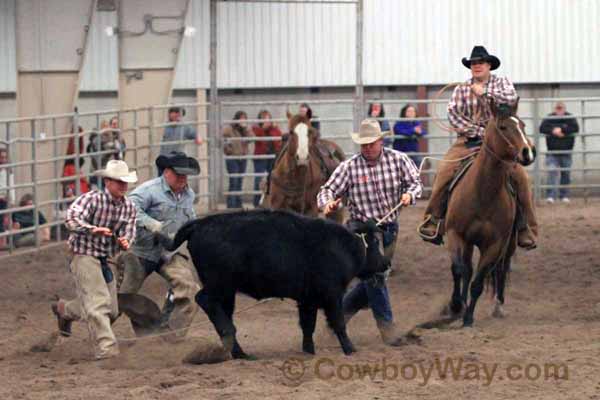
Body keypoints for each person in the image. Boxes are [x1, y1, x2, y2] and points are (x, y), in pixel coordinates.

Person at [417, 46, 538, 250]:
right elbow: (454, 115)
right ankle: (434, 219)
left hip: (501, 143)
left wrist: (485, 92)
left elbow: (510, 101)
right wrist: (481, 133)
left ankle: (526, 227)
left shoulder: (502, 83)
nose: (476, 66)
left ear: (489, 65)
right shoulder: (461, 89)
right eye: (473, 63)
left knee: (521, 178)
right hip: (469, 141)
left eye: (480, 62)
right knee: (445, 171)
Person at [317, 118, 423, 346]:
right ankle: (388, 331)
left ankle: (338, 317)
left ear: (380, 141)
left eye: (371, 143)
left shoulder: (399, 160)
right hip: (361, 232)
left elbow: (416, 183)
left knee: (375, 278)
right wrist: (327, 203)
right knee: (376, 277)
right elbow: (327, 190)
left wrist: (409, 195)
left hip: (388, 228)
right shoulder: (349, 167)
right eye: (363, 144)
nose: (367, 148)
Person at [51, 160, 138, 360]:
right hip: (83, 253)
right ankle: (107, 350)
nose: (123, 186)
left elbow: (130, 231)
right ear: (107, 182)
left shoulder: (129, 207)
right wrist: (91, 229)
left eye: (125, 182)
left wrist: (126, 241)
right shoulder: (91, 199)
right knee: (99, 304)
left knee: (112, 311)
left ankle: (65, 309)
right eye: (119, 182)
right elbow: (71, 219)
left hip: (105, 258)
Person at [118, 152, 201, 338]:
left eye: (185, 174)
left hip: (169, 252)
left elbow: (190, 219)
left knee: (190, 290)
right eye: (178, 173)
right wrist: (153, 225)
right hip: (139, 251)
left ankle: (171, 336)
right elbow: (128, 208)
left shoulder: (189, 194)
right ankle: (68, 311)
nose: (183, 178)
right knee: (118, 299)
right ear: (166, 172)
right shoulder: (148, 190)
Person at [540, 101, 579, 203]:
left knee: (566, 173)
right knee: (552, 172)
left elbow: (575, 128)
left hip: (566, 151)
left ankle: (564, 196)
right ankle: (551, 196)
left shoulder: (570, 117)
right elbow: (542, 128)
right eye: (557, 108)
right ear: (555, 109)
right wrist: (553, 131)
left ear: (564, 109)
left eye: (561, 108)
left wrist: (562, 130)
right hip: (552, 152)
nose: (559, 110)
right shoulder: (550, 118)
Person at [252, 110, 282, 207]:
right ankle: (256, 202)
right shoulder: (256, 128)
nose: (266, 120)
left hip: (272, 157)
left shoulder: (274, 129)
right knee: (258, 179)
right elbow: (258, 137)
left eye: (268, 118)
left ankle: (270, 202)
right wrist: (263, 127)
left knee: (272, 179)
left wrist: (273, 127)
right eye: (264, 118)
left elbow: (278, 137)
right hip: (261, 157)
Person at [223, 111, 252, 208]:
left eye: (245, 118)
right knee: (234, 181)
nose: (243, 120)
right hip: (233, 158)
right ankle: (231, 205)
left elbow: (252, 138)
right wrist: (228, 150)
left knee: (240, 181)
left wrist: (246, 129)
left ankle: (238, 204)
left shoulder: (246, 129)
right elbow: (224, 138)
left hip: (242, 158)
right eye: (241, 118)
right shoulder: (229, 128)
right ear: (236, 118)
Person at [88, 117, 126, 188]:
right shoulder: (97, 140)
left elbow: (121, 155)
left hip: (106, 173)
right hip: (98, 173)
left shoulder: (114, 140)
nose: (106, 129)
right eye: (104, 127)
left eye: (107, 126)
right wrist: (112, 147)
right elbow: (99, 158)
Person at [0, 147, 15, 249]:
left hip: (5, 199)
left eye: (5, 157)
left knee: (5, 220)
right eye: (1, 157)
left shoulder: (9, 171)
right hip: (1, 199)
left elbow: (12, 186)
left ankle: (3, 242)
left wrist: (12, 200)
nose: (3, 160)